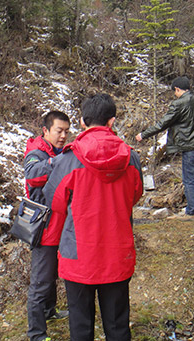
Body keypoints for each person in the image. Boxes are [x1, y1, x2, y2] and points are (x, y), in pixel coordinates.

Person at [43, 94, 143, 341]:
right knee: (118, 325)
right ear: (111, 122)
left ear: (81, 122)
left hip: (78, 255)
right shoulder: (131, 158)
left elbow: (54, 202)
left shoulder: (68, 160)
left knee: (80, 326)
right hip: (118, 254)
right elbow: (135, 195)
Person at [135, 76, 194, 221]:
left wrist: (143, 135)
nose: (175, 95)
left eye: (175, 92)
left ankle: (191, 212)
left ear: (177, 89)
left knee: (189, 179)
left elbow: (162, 124)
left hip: (191, 148)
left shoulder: (178, 104)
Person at [24, 110, 70, 341]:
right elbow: (32, 174)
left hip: (59, 225)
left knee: (52, 274)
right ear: (46, 130)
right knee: (41, 281)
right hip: (43, 228)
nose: (63, 136)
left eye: (66, 131)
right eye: (58, 131)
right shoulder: (36, 152)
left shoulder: (58, 151)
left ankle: (50, 312)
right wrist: (59, 161)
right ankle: (36, 334)